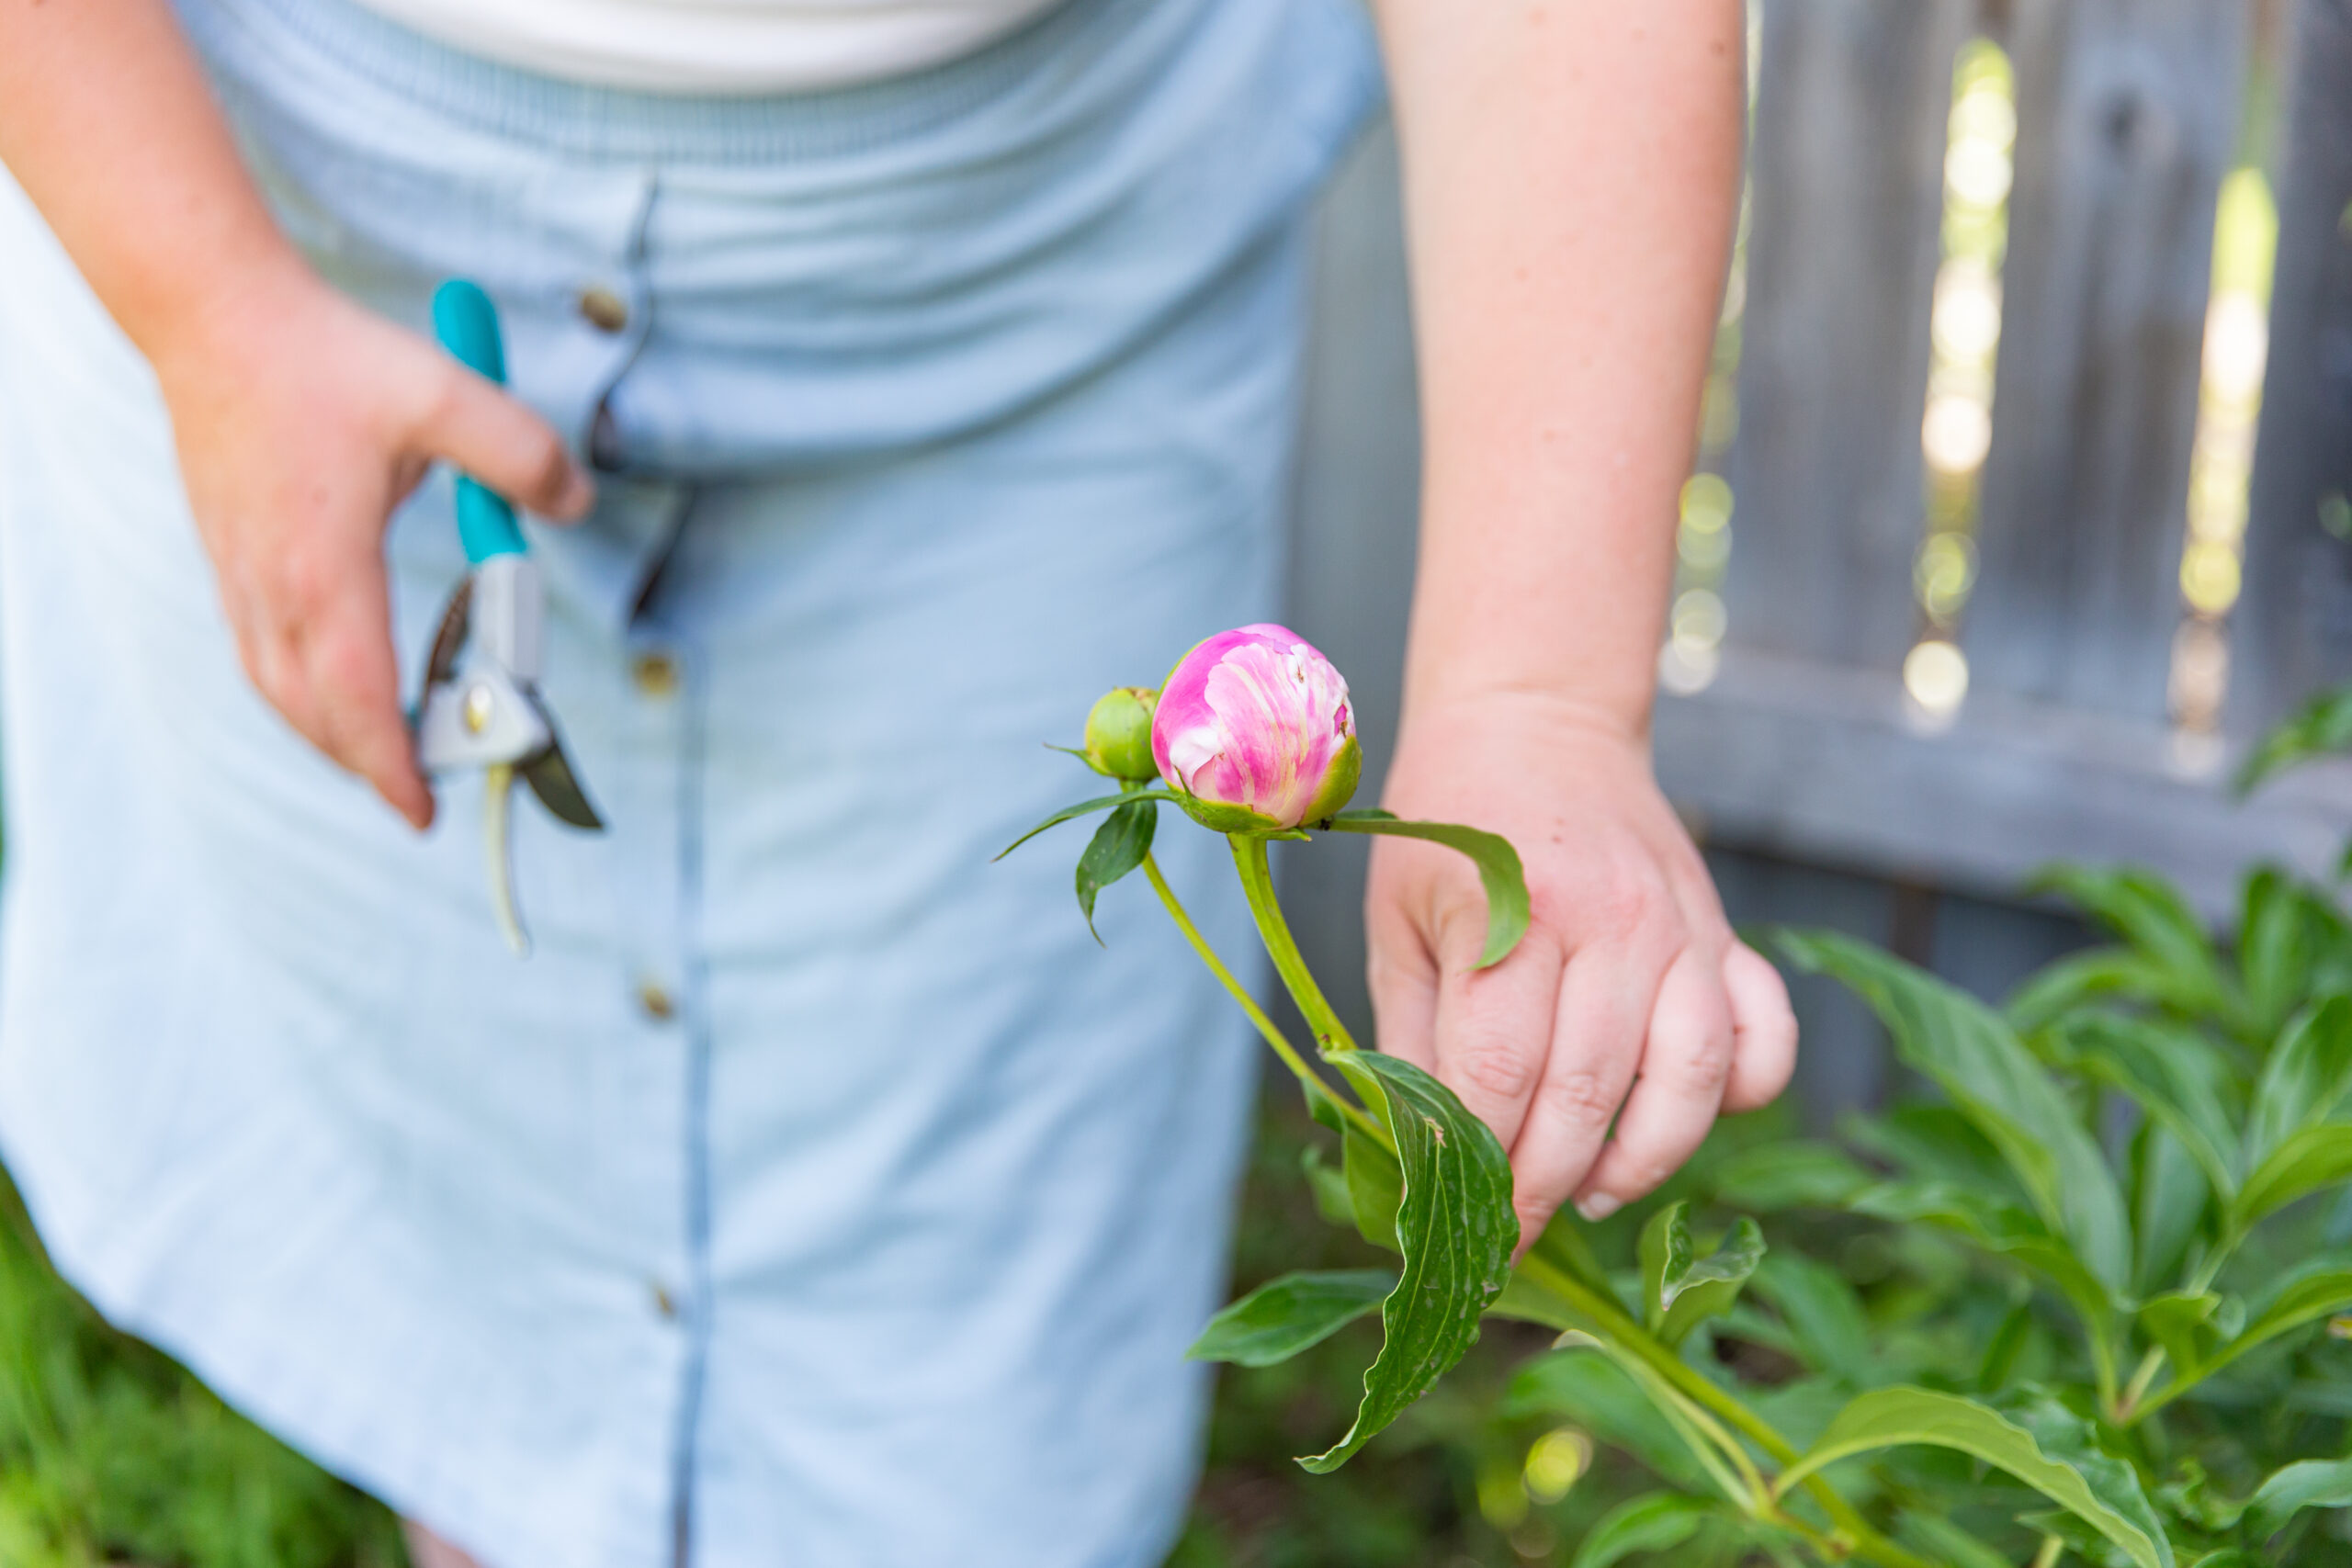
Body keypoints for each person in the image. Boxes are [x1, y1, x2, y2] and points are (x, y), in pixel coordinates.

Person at [0, 0, 1799, 1562]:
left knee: (962, 1364)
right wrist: (210, 304)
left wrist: (1539, 696)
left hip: (1038, 266)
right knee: (481, 1278)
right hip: (275, 241)